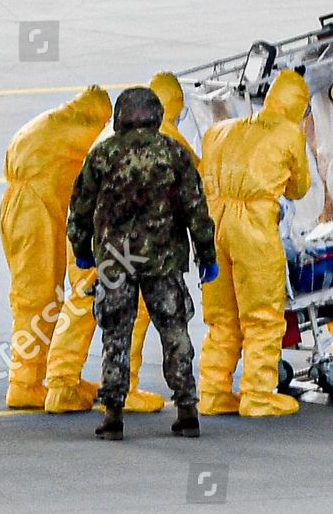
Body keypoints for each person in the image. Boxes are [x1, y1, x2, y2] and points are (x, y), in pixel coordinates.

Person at [67, 86, 217, 441]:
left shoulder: (103, 155)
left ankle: (113, 415)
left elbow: (81, 207)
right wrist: (206, 255)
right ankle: (187, 410)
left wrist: (81, 249)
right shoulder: (174, 155)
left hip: (115, 262)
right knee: (174, 332)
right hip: (164, 260)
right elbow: (196, 209)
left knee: (116, 335)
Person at [45, 72, 199, 414]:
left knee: (86, 309)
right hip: (137, 252)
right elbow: (195, 194)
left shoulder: (105, 142)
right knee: (140, 318)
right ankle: (127, 392)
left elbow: (82, 200)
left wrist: (82, 248)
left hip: (101, 245)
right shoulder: (166, 141)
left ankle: (61, 382)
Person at [198, 69, 312, 417]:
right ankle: (258, 395)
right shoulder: (289, 133)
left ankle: (213, 392)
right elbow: (300, 188)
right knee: (262, 317)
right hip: (253, 229)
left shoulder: (221, 131)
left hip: (213, 225)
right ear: (299, 106)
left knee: (223, 317)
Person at [0, 86, 114, 409]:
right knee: (39, 298)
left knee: (34, 296)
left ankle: (40, 377)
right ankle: (26, 383)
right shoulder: (84, 131)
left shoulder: (46, 123)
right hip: (37, 211)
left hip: (15, 206)